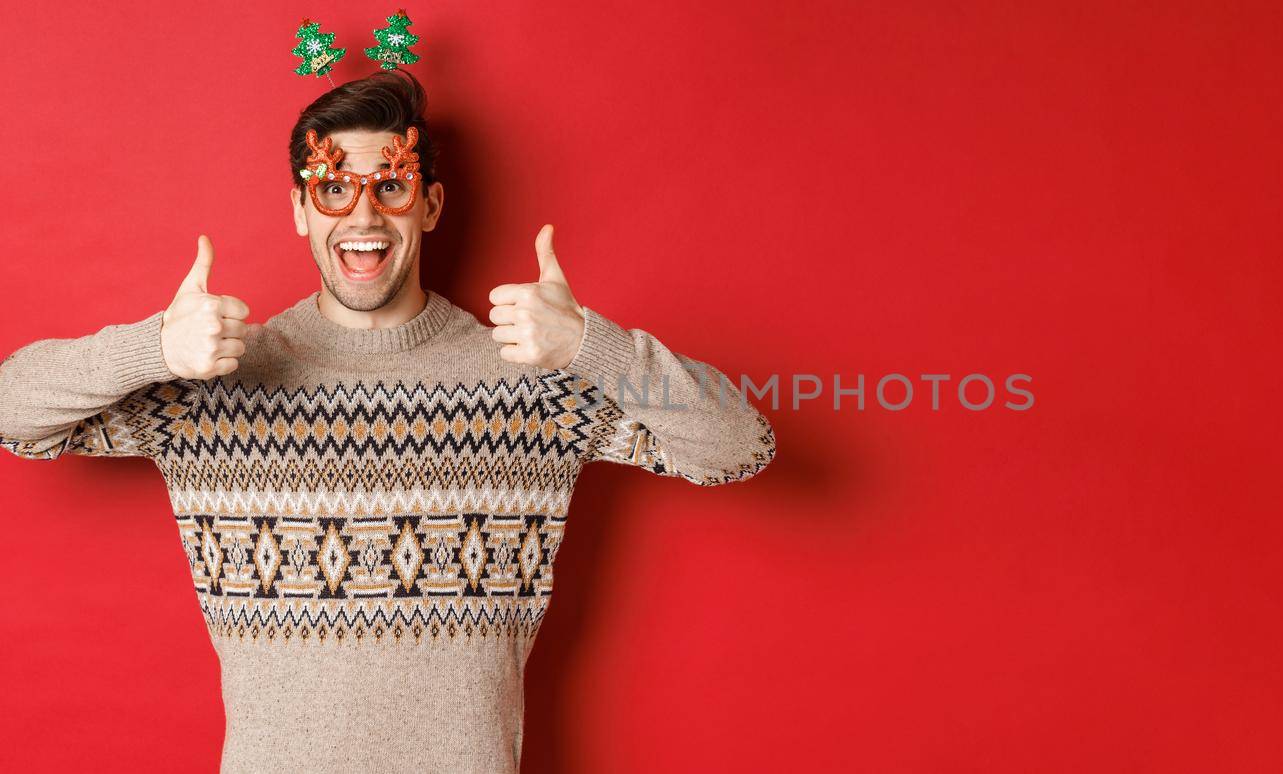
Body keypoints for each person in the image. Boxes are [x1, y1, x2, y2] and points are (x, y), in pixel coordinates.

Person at [0, 69, 776, 773]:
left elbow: (740, 448)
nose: (362, 213)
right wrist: (152, 348)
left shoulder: (535, 385)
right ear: (301, 210)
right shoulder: (212, 385)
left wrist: (592, 347)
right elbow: (12, 412)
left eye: (391, 186)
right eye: (332, 188)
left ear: (430, 205)